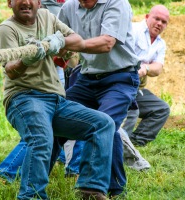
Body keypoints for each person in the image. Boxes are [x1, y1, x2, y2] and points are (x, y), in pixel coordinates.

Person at [0, 0, 116, 199]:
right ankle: (31, 196)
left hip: (56, 100)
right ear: (9, 3)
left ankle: (91, 189)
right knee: (42, 138)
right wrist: (26, 60)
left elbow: (77, 40)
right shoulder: (7, 29)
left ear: (38, 2)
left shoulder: (47, 17)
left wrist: (59, 41)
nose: (26, 2)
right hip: (24, 98)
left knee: (103, 124)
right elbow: (11, 71)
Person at [58, 0, 140, 198]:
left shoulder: (117, 3)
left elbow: (107, 43)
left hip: (120, 78)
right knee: (53, 117)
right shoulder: (68, 7)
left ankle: (91, 188)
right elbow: (59, 44)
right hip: (86, 79)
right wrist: (56, 52)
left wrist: (72, 44)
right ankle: (30, 179)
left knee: (105, 124)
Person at [121, 5, 170, 147]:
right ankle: (120, 145)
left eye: (164, 21)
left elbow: (158, 69)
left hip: (136, 88)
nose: (159, 23)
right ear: (147, 17)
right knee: (133, 112)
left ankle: (135, 143)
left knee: (161, 109)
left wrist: (145, 68)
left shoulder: (161, 44)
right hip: (120, 84)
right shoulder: (133, 30)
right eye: (157, 18)